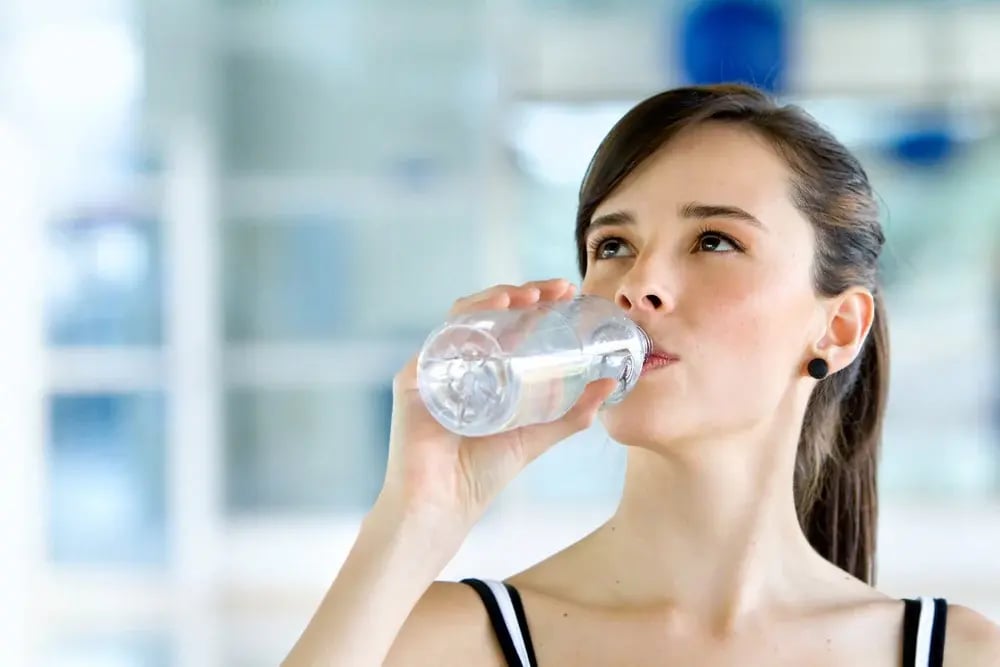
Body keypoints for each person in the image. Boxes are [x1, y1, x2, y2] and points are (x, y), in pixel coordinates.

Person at [283, 84, 1000, 666]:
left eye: (714, 240)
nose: (639, 283)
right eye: (614, 243)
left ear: (838, 327)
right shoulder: (451, 640)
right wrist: (415, 517)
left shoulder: (959, 653)